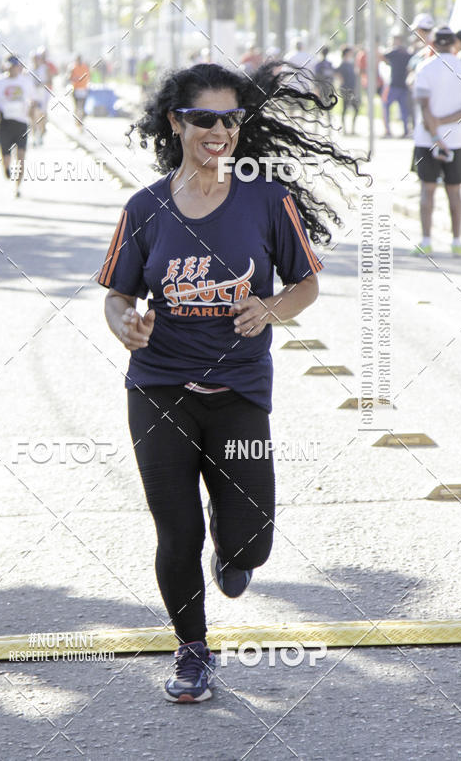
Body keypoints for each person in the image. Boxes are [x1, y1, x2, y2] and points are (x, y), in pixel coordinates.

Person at [98, 62, 365, 702]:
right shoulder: (146, 207)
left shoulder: (268, 199)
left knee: (251, 544)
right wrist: (125, 325)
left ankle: (233, 546)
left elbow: (306, 284)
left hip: (240, 391)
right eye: (203, 119)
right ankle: (192, 653)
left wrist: (270, 308)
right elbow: (116, 293)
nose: (218, 131)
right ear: (175, 123)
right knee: (176, 530)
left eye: (230, 118)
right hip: (159, 387)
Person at [412, 26, 461, 256]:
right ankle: (456, 242)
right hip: (457, 139)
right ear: (454, 44)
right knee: (455, 191)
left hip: (427, 140)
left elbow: (424, 109)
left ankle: (426, 241)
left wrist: (435, 133)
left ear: (433, 44)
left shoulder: (424, 68)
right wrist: (445, 124)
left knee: (428, 189)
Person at [0, 55, 35, 198]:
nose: (14, 70)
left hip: (21, 123)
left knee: (21, 157)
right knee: (6, 157)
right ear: (6, 67)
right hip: (5, 123)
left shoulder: (26, 82)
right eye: (11, 67)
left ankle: (17, 187)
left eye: (17, 67)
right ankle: (6, 168)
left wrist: (32, 120)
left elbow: (33, 102)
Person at [382, 31, 411, 138]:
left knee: (386, 105)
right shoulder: (406, 52)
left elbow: (383, 56)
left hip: (395, 84)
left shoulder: (394, 51)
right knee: (404, 109)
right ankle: (405, 130)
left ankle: (388, 130)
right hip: (403, 84)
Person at [31, 46, 58, 145]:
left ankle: (41, 133)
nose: (36, 61)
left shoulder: (45, 68)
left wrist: (41, 84)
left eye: (37, 59)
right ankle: (34, 135)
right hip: (32, 97)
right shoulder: (28, 70)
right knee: (32, 115)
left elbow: (50, 80)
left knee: (41, 115)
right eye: (34, 59)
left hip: (42, 95)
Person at [335, 46, 360, 135]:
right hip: (346, 89)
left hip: (352, 89)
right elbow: (337, 73)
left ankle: (352, 129)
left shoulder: (350, 63)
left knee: (356, 108)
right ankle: (345, 129)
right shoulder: (343, 64)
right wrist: (341, 82)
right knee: (345, 108)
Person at [314, 47, 335, 126]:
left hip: (320, 87)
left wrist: (316, 87)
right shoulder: (330, 64)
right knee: (328, 105)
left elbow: (316, 77)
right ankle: (329, 124)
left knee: (318, 106)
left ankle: (316, 124)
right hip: (328, 87)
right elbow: (332, 78)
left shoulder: (319, 65)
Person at [69, 55, 91, 129]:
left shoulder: (85, 67)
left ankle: (80, 121)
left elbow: (89, 76)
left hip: (83, 89)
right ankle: (77, 121)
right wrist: (74, 79)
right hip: (76, 89)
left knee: (82, 107)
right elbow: (70, 78)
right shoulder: (73, 67)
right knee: (77, 107)